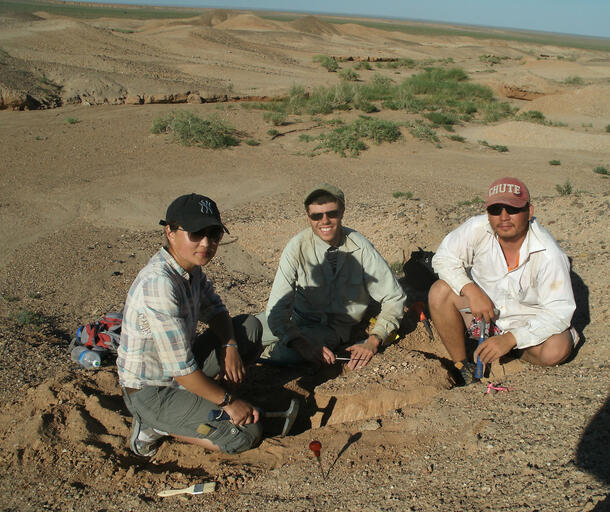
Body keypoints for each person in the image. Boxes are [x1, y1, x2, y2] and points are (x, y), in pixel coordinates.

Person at [117, 193, 263, 457]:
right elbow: (181, 370)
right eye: (196, 233)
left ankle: (203, 405)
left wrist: (230, 346)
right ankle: (155, 426)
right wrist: (229, 402)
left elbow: (217, 311)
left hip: (179, 372)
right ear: (170, 232)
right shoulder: (159, 283)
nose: (206, 243)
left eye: (214, 234)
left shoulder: (190, 270)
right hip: (152, 391)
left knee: (248, 329)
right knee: (246, 434)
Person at [428, 177, 577, 385]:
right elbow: (443, 258)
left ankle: (513, 351)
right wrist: (470, 289)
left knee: (557, 350)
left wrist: (510, 339)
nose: (504, 217)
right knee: (440, 291)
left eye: (512, 209)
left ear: (530, 211)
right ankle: (462, 365)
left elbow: (559, 312)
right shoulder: (477, 228)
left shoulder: (549, 254)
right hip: (484, 313)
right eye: (496, 210)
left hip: (526, 321)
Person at [258, 184, 406, 370]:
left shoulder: (361, 248)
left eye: (331, 213)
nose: (324, 221)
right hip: (296, 316)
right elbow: (277, 309)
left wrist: (375, 338)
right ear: (308, 217)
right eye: (316, 215)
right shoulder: (297, 247)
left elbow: (394, 297)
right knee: (245, 332)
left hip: (329, 328)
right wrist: (296, 340)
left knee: (282, 355)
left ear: (342, 211)